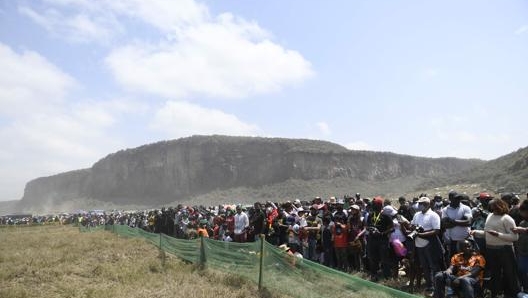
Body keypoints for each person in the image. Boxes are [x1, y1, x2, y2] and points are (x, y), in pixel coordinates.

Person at [472, 198, 520, 298]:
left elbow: (515, 237)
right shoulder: (490, 216)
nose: (492, 209)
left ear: (500, 206)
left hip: (504, 250)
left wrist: (498, 234)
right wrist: (476, 232)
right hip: (491, 249)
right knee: (495, 273)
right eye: (491, 207)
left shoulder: (507, 218)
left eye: (494, 207)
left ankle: (514, 293)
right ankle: (497, 293)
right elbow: (487, 234)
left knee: (510, 273)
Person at [411, 196, 443, 295]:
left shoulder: (433, 215)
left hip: (430, 245)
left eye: (422, 204)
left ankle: (436, 287)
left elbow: (436, 231)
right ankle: (429, 285)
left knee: (433, 266)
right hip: (419, 245)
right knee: (425, 267)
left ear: (427, 204)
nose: (420, 206)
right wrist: (412, 228)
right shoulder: (417, 215)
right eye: (420, 204)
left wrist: (420, 234)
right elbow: (413, 225)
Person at [365, 196, 394, 281]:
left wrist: (381, 233)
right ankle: (374, 275)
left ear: (379, 205)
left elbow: (392, 228)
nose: (373, 206)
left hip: (382, 241)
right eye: (373, 204)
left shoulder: (386, 215)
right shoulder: (371, 215)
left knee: (384, 259)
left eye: (375, 204)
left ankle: (387, 277)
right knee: (373, 259)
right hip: (372, 240)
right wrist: (370, 229)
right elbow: (367, 226)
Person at [441, 192, 473, 259]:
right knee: (455, 260)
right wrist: (462, 221)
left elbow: (469, 222)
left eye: (459, 198)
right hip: (453, 241)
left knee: (469, 260)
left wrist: (452, 221)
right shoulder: (445, 210)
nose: (458, 200)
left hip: (466, 239)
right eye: (456, 198)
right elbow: (445, 225)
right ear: (450, 199)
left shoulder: (465, 208)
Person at [511, 199, 528, 293]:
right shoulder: (522, 223)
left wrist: (524, 230)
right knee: (523, 272)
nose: (522, 215)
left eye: (523, 212)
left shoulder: (523, 227)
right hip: (522, 253)